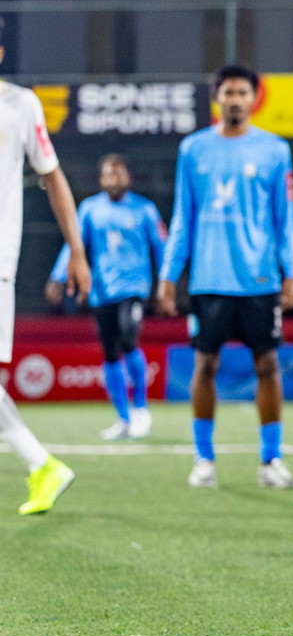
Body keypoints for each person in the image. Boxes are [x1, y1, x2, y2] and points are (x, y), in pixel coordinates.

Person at [156, 65, 293, 490]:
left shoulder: (276, 150)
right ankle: (204, 459)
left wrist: (292, 272)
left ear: (255, 98)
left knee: (269, 365)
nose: (235, 99)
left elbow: (284, 219)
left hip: (260, 279)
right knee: (205, 365)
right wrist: (169, 275)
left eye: (242, 92)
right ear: (216, 99)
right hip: (208, 279)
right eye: (228, 92)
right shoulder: (193, 149)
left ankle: (271, 461)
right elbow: (183, 216)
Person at [0, 31, 90, 515]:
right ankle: (41, 464)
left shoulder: (19, 105)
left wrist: (76, 250)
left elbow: (52, 176)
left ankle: (41, 464)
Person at [44, 155, 164, 440]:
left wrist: (167, 282)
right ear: (101, 179)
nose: (114, 179)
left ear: (128, 177)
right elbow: (74, 246)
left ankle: (142, 410)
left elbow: (162, 246)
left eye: (119, 174)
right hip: (102, 291)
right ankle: (123, 418)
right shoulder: (90, 209)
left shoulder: (144, 209)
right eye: (109, 174)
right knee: (110, 353)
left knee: (129, 338)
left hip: (134, 289)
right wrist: (58, 276)